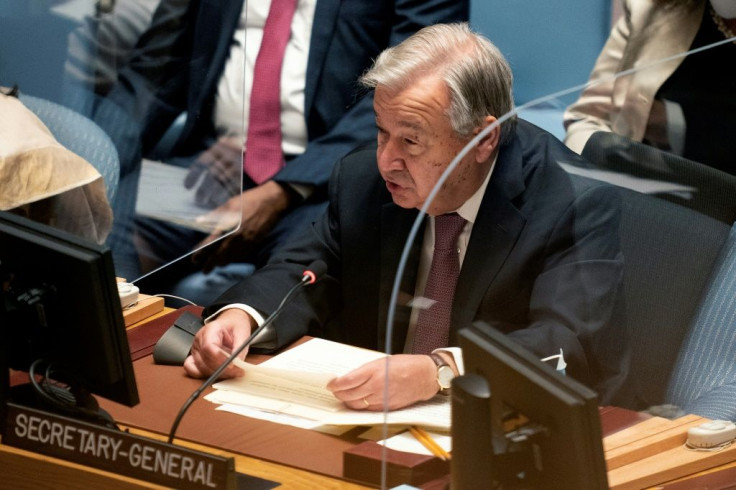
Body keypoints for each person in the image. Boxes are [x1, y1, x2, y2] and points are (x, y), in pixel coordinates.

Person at [184, 23, 633, 411]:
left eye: (411, 141)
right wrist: (244, 316)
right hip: (369, 423)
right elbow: (304, 270)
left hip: (506, 429)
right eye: (382, 132)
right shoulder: (363, 180)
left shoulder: (572, 203)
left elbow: (567, 345)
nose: (386, 161)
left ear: (483, 140)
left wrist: (440, 370)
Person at [87, 0, 468, 299]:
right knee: (102, 222)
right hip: (211, 166)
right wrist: (88, 166)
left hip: (325, 184)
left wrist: (281, 191)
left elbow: (415, 93)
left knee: (297, 277)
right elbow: (156, 69)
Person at [564, 0, 736, 173]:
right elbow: (589, 118)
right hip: (633, 187)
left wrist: (676, 125)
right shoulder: (649, 8)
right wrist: (585, 175)